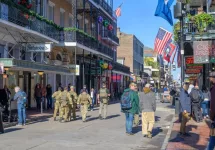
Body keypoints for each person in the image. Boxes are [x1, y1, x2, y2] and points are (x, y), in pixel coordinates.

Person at [208, 75, 215, 149]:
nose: (209, 79)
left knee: (213, 135)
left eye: (210, 77)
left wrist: (211, 117)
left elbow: (213, 105)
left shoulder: (213, 89)